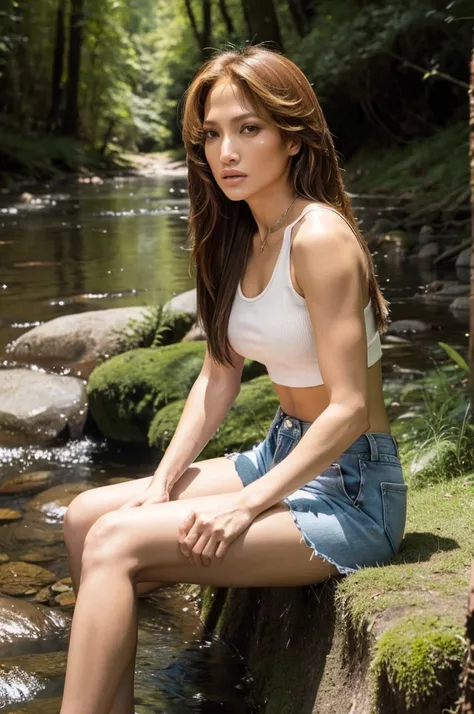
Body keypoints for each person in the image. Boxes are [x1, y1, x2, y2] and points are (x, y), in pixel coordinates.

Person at [59, 45, 407, 714]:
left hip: (353, 489)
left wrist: (244, 508)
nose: (227, 152)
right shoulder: (236, 235)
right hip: (281, 450)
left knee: (114, 541)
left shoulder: (320, 238)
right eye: (213, 133)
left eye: (249, 129)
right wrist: (163, 482)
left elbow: (349, 409)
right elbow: (217, 378)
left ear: (294, 136)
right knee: (84, 519)